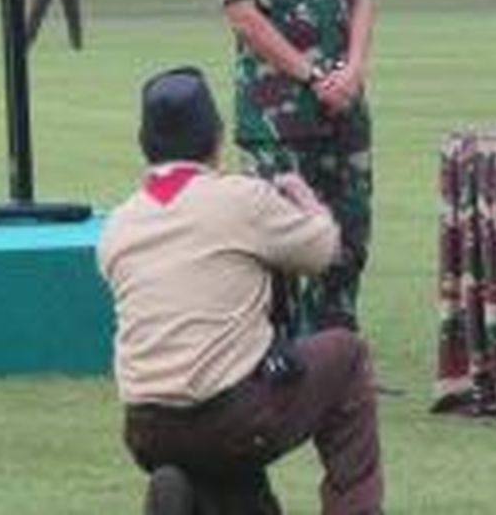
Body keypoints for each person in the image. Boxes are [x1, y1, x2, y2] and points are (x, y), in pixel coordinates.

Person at [97, 66, 383, 514]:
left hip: (146, 427)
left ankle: (183, 496)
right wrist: (306, 201)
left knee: (228, 409)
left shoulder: (118, 224)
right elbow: (323, 251)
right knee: (345, 355)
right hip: (227, 416)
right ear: (216, 137)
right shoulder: (241, 199)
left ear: (145, 144)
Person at [209, 0, 378, 336]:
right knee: (275, 236)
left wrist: (352, 70)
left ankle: (336, 351)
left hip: (344, 104)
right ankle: (277, 351)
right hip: (276, 115)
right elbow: (244, 18)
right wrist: (311, 76)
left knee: (350, 230)